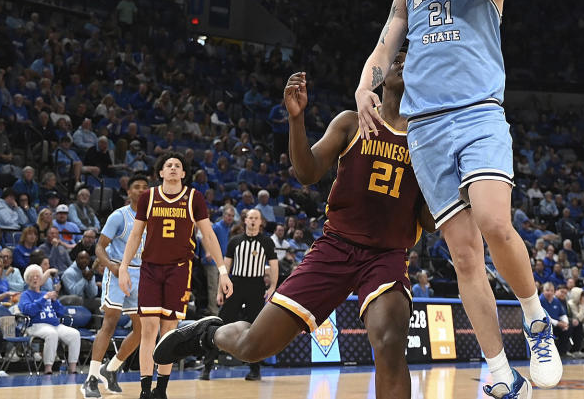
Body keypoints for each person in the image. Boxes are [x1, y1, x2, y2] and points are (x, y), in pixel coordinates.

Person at [353, 0, 584, 397]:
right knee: (464, 256)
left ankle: (536, 322)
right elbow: (384, 47)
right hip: (425, 130)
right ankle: (500, 372)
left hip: (478, 115)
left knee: (493, 221)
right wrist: (364, 85)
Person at [153, 54, 434, 399]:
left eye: (412, 59)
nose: (403, 62)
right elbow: (307, 172)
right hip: (336, 247)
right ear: (382, 77)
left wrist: (453, 190)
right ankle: (207, 335)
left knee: (391, 343)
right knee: (252, 345)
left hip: (387, 256)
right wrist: (296, 119)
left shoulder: (428, 141)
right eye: (397, 59)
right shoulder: (350, 122)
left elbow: (427, 221)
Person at [118, 152, 232, 399]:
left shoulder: (194, 198)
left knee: (169, 331)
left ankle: (162, 388)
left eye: (177, 166)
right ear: (160, 173)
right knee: (148, 328)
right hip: (150, 268)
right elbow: (136, 235)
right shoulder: (148, 197)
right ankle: (145, 389)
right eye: (167, 165)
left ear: (183, 174)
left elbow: (209, 236)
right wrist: (124, 267)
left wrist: (223, 271)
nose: (172, 168)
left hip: (179, 269)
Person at [82, 173, 150, 398]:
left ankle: (110, 369)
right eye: (136, 187)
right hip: (119, 269)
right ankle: (91, 379)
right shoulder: (119, 216)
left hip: (142, 274)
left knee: (142, 330)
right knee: (110, 322)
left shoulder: (154, 218)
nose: (140, 190)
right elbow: (99, 248)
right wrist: (112, 267)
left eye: (144, 187)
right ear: (129, 192)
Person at [201, 208, 277, 381]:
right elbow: (225, 268)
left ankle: (255, 370)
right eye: (249, 217)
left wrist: (272, 286)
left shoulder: (266, 242)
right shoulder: (235, 241)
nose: (252, 221)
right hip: (236, 285)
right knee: (220, 323)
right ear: (245, 220)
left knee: (255, 328)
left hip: (256, 286)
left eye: (255, 218)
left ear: (260, 222)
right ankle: (207, 367)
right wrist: (220, 290)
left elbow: (273, 265)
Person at [19, 264, 81, 374]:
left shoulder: (46, 293)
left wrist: (54, 301)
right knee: (51, 334)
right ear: (27, 280)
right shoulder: (25, 295)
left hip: (55, 324)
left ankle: (72, 367)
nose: (35, 278)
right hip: (36, 325)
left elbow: (61, 312)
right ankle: (48, 368)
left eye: (37, 276)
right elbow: (28, 311)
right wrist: (43, 299)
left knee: (75, 334)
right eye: (31, 276)